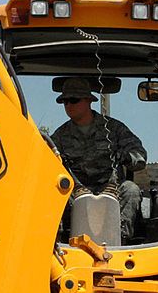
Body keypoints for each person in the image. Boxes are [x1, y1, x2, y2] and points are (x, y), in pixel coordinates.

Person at [49, 77, 147, 238]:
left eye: (73, 100)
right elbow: (46, 164)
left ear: (88, 101)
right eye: (64, 101)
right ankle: (61, 240)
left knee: (131, 190)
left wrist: (128, 157)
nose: (68, 105)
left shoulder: (113, 129)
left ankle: (120, 239)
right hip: (76, 192)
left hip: (112, 189)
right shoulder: (59, 136)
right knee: (54, 192)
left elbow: (139, 155)